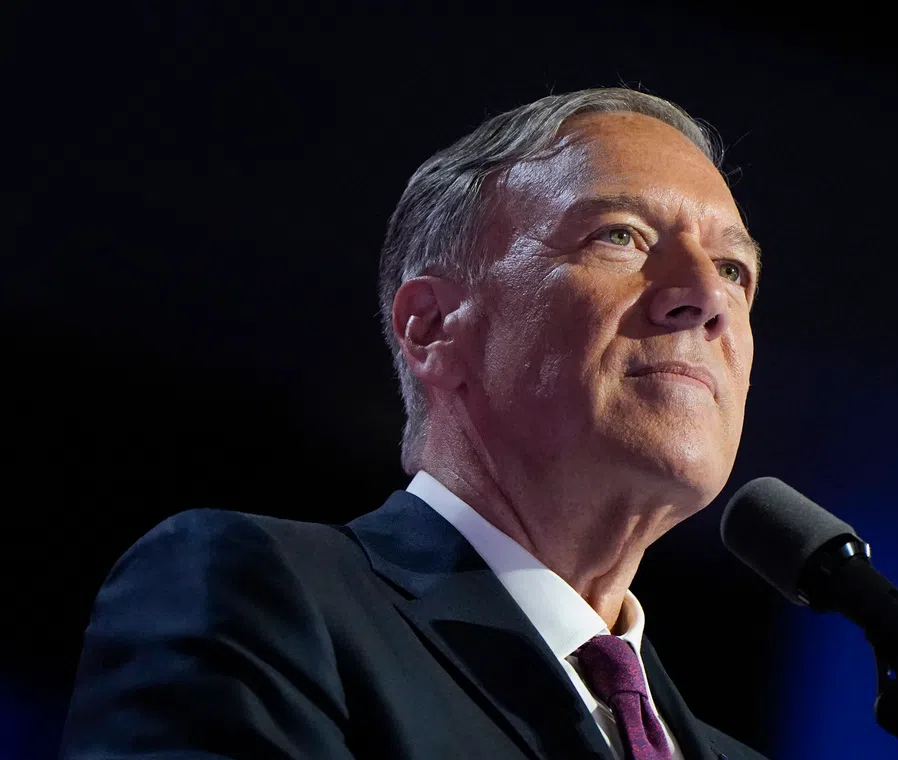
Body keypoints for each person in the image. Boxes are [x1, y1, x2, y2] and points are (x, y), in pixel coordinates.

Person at [60, 88, 768, 760]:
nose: (707, 296)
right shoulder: (262, 600)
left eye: (735, 270)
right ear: (432, 328)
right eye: (621, 235)